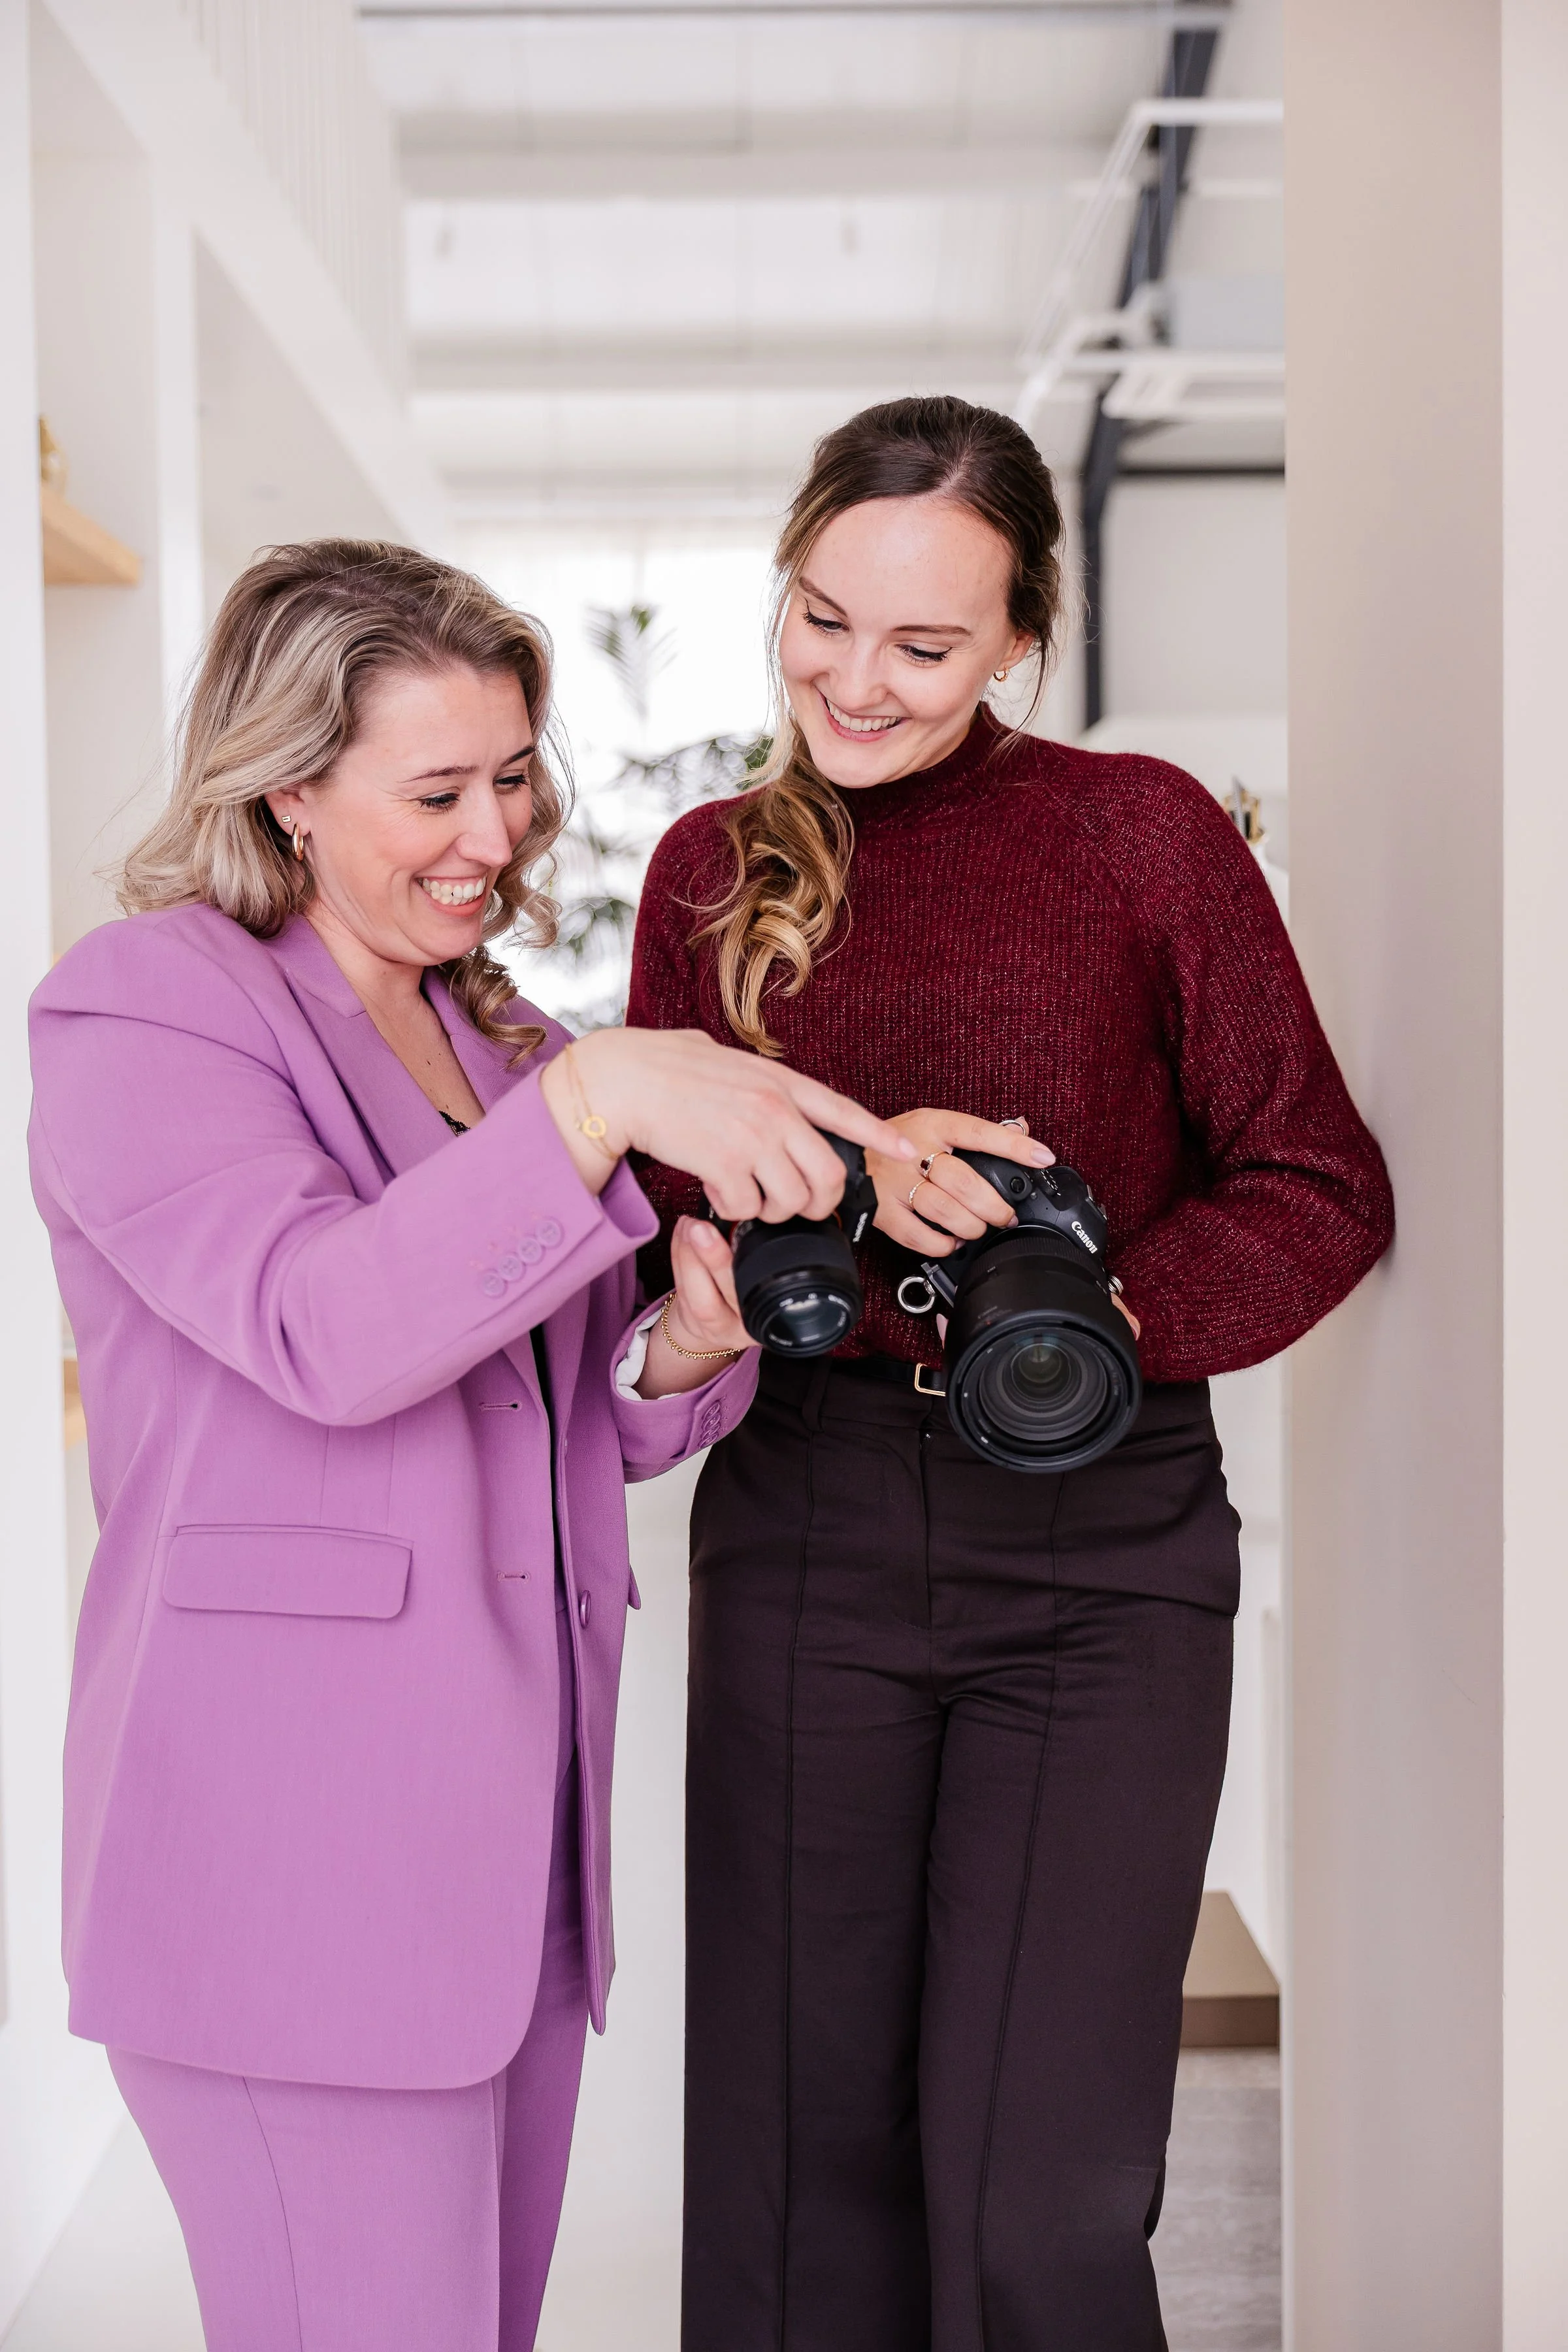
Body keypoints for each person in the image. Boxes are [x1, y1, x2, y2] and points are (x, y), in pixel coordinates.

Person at [27, 540, 913, 2352]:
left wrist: (686, 1344)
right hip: (290, 1872)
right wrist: (598, 1099)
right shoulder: (148, 1006)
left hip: (506, 1864)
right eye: (435, 793)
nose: (495, 837)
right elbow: (325, 1330)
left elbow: (545, 1422)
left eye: (513, 778)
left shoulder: (495, 1037)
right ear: (286, 788)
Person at [625, 397, 1396, 2351]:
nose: (853, 683)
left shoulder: (1141, 834)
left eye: (924, 644)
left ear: (1022, 641)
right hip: (806, 1526)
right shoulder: (714, 865)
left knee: (1040, 2191)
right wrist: (783, 1224)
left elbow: (1318, 1183)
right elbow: (661, 1221)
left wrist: (1092, 1320)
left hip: (1101, 1543)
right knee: (796, 2171)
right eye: (822, 619)